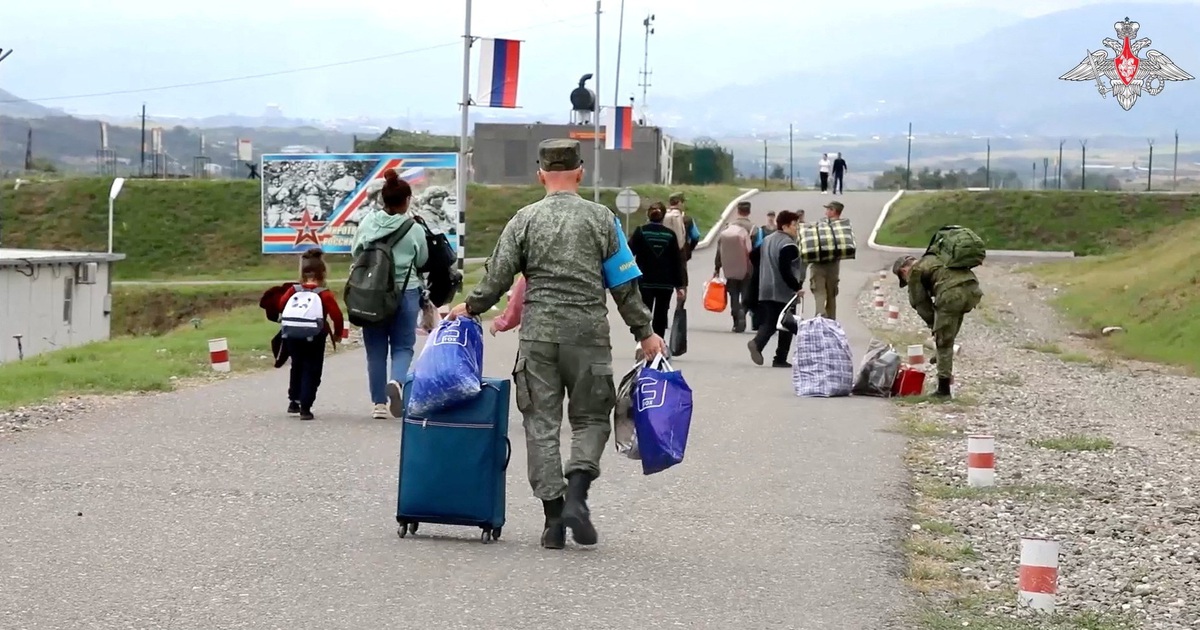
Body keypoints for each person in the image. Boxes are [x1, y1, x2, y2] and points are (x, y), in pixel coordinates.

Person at [448, 139, 666, 550]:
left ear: (540, 175)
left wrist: (470, 307)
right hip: (588, 337)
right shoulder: (603, 220)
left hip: (538, 339)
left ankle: (553, 520)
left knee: (541, 425)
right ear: (581, 172)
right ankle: (577, 495)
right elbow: (624, 285)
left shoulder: (525, 220)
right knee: (591, 419)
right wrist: (645, 332)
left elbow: (497, 277)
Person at [351, 168, 429, 420]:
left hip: (372, 294)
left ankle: (378, 404)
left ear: (383, 199)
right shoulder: (413, 228)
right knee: (403, 345)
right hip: (406, 292)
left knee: (375, 350)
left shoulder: (367, 223)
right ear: (406, 200)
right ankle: (396, 381)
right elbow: (422, 259)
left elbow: (356, 253)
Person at [892, 252, 984, 397]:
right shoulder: (933, 258)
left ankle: (943, 390)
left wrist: (934, 328)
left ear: (903, 271)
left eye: (903, 278)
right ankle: (941, 359)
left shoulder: (914, 272)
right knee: (947, 336)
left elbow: (920, 304)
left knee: (943, 342)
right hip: (972, 290)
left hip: (951, 295)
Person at [276, 248, 345, 420]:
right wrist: (337, 334)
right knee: (312, 369)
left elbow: (281, 305)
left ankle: (294, 401)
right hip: (315, 336)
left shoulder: (293, 290)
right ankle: (305, 407)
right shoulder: (324, 294)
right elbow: (337, 316)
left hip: (292, 334)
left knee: (297, 365)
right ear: (323, 273)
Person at [748, 210, 803, 368]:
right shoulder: (789, 245)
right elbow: (785, 269)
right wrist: (796, 287)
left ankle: (759, 345)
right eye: (794, 225)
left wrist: (765, 268)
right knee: (787, 322)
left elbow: (753, 255)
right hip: (783, 290)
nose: (797, 228)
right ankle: (777, 356)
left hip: (765, 287)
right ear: (785, 226)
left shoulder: (767, 239)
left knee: (771, 320)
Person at [628, 201, 685, 338]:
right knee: (661, 314)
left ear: (648, 215)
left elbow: (629, 254)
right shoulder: (670, 235)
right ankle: (658, 342)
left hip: (645, 281)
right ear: (663, 216)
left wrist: (627, 276)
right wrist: (680, 286)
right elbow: (677, 262)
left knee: (644, 312)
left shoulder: (641, 232)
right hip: (665, 283)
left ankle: (643, 340)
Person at [713, 201, 754, 332]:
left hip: (730, 268)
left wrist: (717, 267)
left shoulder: (728, 228)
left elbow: (720, 250)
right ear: (749, 211)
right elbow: (758, 249)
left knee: (733, 295)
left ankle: (736, 321)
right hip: (748, 269)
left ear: (737, 211)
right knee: (746, 294)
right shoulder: (754, 229)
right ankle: (743, 310)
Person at [807, 201, 847, 320]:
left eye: (828, 209)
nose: (826, 212)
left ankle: (820, 317)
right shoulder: (843, 227)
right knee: (831, 296)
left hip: (818, 265)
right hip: (834, 267)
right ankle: (831, 321)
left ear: (833, 211)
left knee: (819, 293)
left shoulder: (821, 225)